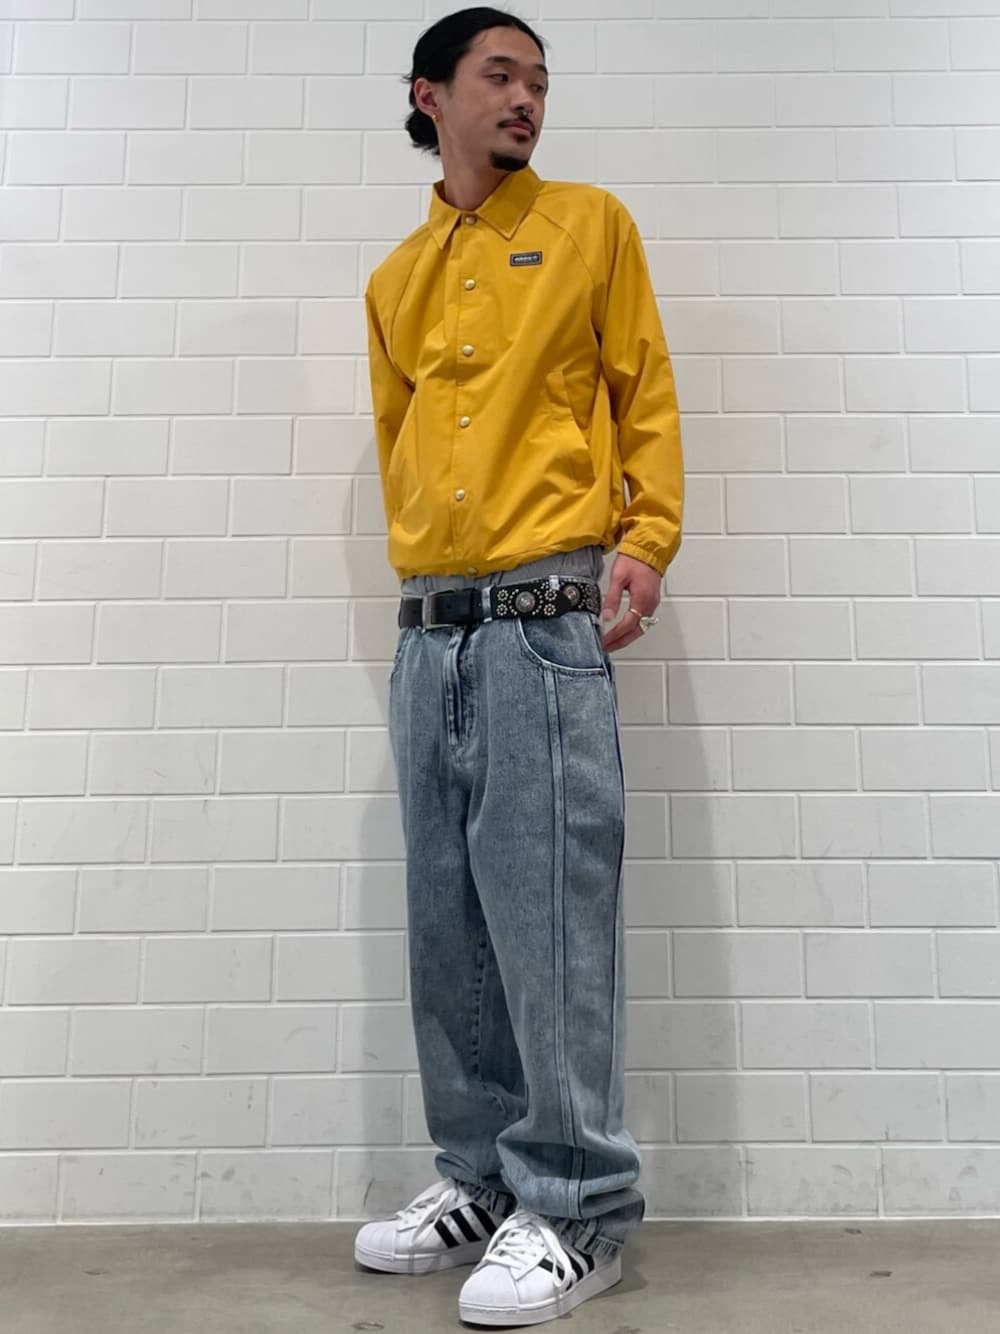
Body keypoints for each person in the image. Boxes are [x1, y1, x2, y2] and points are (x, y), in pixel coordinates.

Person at [357, 7, 684, 1325]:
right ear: (428, 95)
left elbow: (643, 388)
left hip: (544, 623)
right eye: (499, 74)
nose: (526, 97)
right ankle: (483, 1180)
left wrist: (645, 538)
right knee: (451, 934)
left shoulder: (590, 226)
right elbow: (399, 440)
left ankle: (580, 1204)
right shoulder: (396, 279)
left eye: (539, 81)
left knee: (549, 923)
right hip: (428, 633)